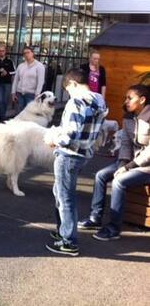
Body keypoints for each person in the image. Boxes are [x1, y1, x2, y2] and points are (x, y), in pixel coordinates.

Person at [45, 68, 107, 256]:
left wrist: (53, 139)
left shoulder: (75, 102)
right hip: (84, 154)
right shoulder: (99, 99)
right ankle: (64, 230)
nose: (68, 94)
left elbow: (70, 133)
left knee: (65, 197)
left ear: (72, 84)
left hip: (69, 155)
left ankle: (68, 241)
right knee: (60, 191)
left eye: (68, 89)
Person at [78, 84, 149, 241]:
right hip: (131, 162)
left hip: (146, 168)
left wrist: (129, 167)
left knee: (119, 182)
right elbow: (125, 143)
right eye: (126, 97)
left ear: (142, 100)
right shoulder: (129, 117)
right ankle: (95, 218)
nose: (126, 101)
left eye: (130, 98)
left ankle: (114, 227)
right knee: (101, 175)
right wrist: (123, 163)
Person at [11, 47, 46, 113]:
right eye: (24, 53)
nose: (26, 54)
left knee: (29, 114)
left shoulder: (39, 66)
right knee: (19, 113)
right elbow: (16, 80)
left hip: (31, 94)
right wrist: (13, 92)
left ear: (32, 53)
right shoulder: (21, 66)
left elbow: (40, 81)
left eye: (28, 52)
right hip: (19, 93)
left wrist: (37, 94)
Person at [0, 44, 16, 121]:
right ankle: (3, 117)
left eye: (3, 51)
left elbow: (14, 71)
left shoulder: (10, 61)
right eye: (0, 51)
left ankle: (2, 116)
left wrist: (7, 73)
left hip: (7, 83)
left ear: (5, 52)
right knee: (0, 100)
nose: (1, 52)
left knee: (5, 100)